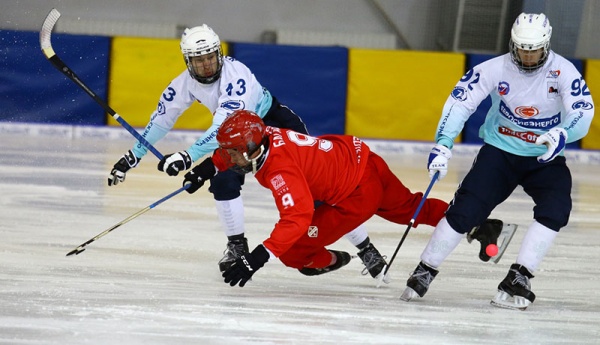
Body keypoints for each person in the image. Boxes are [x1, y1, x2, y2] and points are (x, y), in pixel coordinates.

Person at [106, 24, 385, 278]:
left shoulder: (234, 75)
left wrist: (188, 156)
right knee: (223, 181)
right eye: (198, 60)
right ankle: (237, 246)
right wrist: (132, 157)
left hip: (274, 124)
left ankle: (366, 247)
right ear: (187, 62)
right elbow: (161, 120)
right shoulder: (183, 84)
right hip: (236, 136)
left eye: (210, 57)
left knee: (316, 193)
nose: (206, 65)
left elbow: (220, 127)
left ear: (219, 53)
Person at [401, 13, 594, 310]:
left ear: (547, 45)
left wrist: (563, 134)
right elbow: (460, 102)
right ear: (512, 45)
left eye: (535, 50)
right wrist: (443, 144)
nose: (528, 57)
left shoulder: (564, 72)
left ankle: (520, 276)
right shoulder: (494, 68)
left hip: (545, 157)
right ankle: (426, 268)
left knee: (556, 209)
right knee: (465, 210)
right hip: (499, 153)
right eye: (522, 49)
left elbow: (583, 110)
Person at [180, 109, 460, 287]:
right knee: (411, 207)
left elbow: (297, 219)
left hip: (356, 194)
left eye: (232, 153)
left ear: (252, 149)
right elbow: (233, 152)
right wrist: (207, 168)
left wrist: (257, 257)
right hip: (364, 159)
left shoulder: (279, 170)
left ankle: (332, 259)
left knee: (292, 252)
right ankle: (474, 221)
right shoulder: (267, 135)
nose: (229, 157)